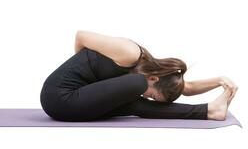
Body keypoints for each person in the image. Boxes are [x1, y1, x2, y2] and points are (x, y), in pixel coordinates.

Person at [40, 30, 238, 122]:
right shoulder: (130, 53)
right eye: (151, 95)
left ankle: (210, 111)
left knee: (131, 102)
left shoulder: (154, 74)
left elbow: (187, 88)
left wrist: (220, 81)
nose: (146, 96)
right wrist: (82, 72)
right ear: (154, 79)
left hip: (76, 103)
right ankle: (209, 111)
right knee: (135, 89)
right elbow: (81, 36)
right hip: (61, 97)